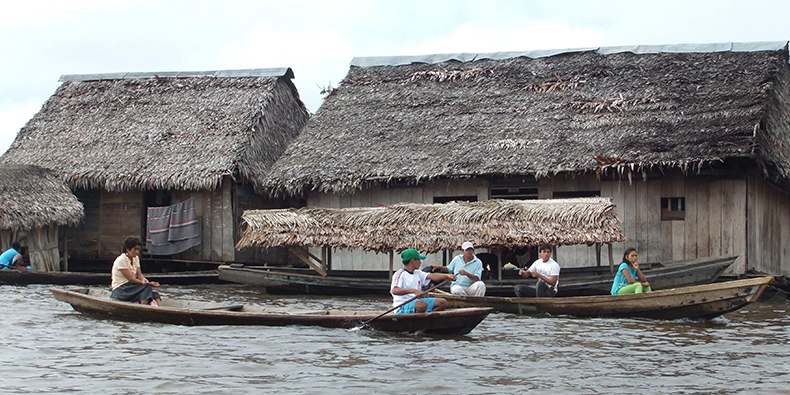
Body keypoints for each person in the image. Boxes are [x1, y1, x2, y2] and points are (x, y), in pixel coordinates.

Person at [391, 248, 456, 314]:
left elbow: (432, 276)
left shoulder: (418, 273)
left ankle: (427, 319)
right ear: (413, 261)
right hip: (402, 305)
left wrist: (447, 276)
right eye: (418, 260)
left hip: (418, 301)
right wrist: (413, 290)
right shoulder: (400, 274)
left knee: (442, 302)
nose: (420, 262)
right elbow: (395, 290)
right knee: (422, 305)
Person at [110, 237, 161, 305]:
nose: (137, 252)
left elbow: (139, 275)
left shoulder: (136, 258)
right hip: (121, 289)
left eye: (137, 249)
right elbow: (131, 279)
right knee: (147, 288)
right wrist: (147, 284)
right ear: (127, 249)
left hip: (130, 287)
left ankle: (159, 309)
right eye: (135, 249)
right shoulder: (121, 260)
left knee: (154, 294)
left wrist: (145, 280)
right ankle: (142, 309)